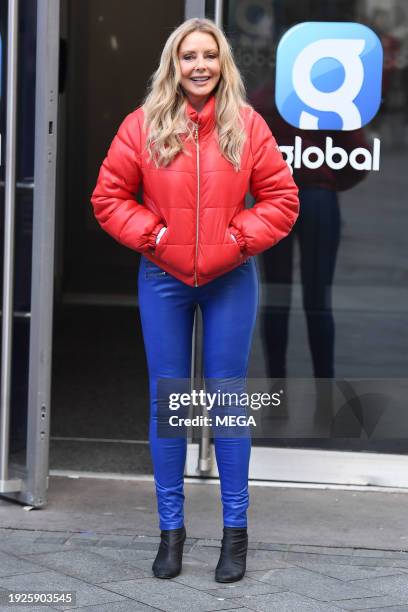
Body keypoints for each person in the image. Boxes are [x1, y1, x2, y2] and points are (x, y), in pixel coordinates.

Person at [91, 17, 298, 583]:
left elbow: (282, 198)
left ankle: (235, 535)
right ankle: (171, 534)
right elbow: (108, 197)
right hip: (163, 278)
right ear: (173, 65)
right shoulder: (144, 125)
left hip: (232, 277)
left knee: (228, 405)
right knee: (170, 403)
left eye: (209, 55)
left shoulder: (247, 123)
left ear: (222, 63)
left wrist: (235, 240)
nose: (200, 65)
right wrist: (157, 237)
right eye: (189, 57)